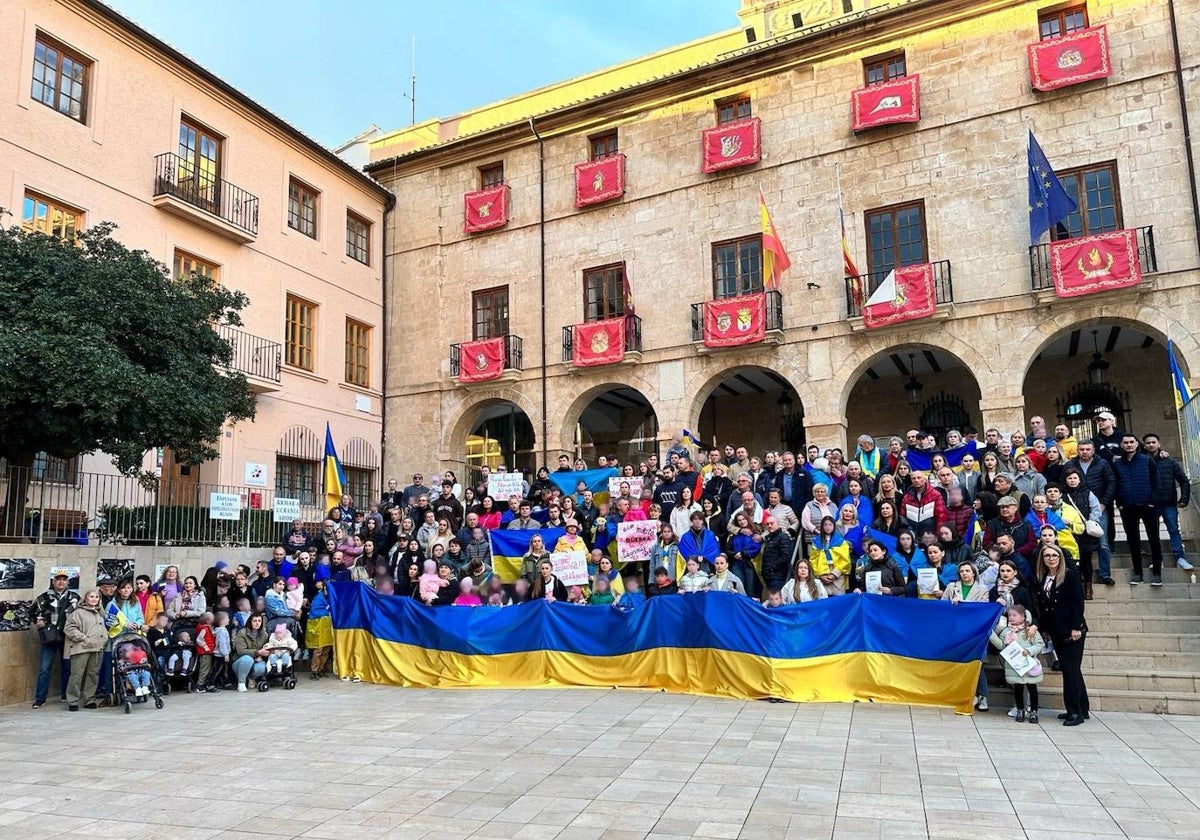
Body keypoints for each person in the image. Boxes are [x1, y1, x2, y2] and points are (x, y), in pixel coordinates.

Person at [1035, 544, 1089, 725]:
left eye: (1054, 555)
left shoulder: (1070, 576)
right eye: (1047, 555)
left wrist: (1076, 626)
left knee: (1070, 669)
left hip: (1071, 629)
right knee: (1071, 669)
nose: (1051, 558)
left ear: (1060, 557)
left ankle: (1074, 712)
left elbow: (1078, 603)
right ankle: (1083, 707)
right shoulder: (1043, 578)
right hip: (1055, 629)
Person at [1111, 433, 1163, 585]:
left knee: (1154, 539)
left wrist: (1153, 501)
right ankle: (1138, 573)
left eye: (1131, 442)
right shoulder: (1118, 463)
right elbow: (1115, 484)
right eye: (1125, 442)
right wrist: (1119, 502)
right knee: (1133, 541)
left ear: (1136, 444)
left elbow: (1156, 482)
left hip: (1148, 506)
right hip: (1127, 507)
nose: (1128, 445)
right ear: (1121, 445)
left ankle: (1157, 574)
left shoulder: (1147, 460)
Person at [1066, 441, 1116, 585]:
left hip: (1098, 508)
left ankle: (1105, 573)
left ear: (1093, 450)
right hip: (1075, 511)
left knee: (1103, 543)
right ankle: (1078, 576)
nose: (1085, 452)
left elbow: (1111, 482)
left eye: (1088, 449)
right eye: (1081, 449)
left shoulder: (1102, 463)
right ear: (1077, 450)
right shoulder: (1070, 465)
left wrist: (1104, 503)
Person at [1142, 433, 1193, 570]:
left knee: (1174, 530)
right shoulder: (1142, 461)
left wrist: (1184, 499)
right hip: (1150, 503)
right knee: (1153, 533)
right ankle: (1158, 560)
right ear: (1144, 445)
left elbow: (1183, 480)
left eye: (1153, 442)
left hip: (1168, 502)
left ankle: (1180, 558)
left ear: (1158, 443)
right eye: (1148, 443)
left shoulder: (1169, 461)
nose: (1151, 445)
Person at [32, 569, 79, 709]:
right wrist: (37, 620)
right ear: (53, 581)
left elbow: (81, 614)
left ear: (68, 582)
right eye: (58, 579)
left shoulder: (74, 597)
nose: (61, 582)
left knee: (68, 667)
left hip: (68, 637)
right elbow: (32, 612)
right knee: (44, 668)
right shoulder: (44, 597)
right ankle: (40, 699)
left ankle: (66, 695)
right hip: (50, 636)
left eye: (64, 579)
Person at [990, 602, 1045, 724]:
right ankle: (1020, 709)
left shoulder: (1030, 630)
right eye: (1010, 615)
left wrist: (1029, 651)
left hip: (1028, 666)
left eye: (1015, 615)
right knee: (1018, 689)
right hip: (1014, 667)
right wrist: (991, 635)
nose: (1011, 617)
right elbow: (1001, 645)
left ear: (1023, 617)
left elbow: (1040, 644)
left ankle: (1034, 711)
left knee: (1032, 688)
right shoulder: (1006, 632)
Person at [63, 589, 107, 711]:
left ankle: (89, 699)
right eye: (91, 596)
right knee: (77, 674)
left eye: (96, 597)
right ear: (86, 598)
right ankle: (73, 700)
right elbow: (69, 628)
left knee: (93, 674)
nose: (94, 599)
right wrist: (82, 638)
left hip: (97, 648)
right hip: (81, 648)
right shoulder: (78, 613)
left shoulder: (100, 612)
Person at [809, 515, 851, 596]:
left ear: (834, 526)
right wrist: (820, 576)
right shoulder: (816, 541)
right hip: (822, 572)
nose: (828, 527)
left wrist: (835, 574)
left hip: (837, 572)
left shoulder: (841, 541)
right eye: (825, 525)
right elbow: (813, 560)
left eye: (830, 525)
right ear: (822, 526)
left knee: (838, 599)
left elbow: (845, 560)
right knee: (823, 598)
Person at [232, 612, 271, 692]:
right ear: (250, 621)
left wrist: (262, 655)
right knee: (247, 659)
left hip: (256, 660)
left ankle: (251, 678)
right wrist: (258, 653)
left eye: (259, 621)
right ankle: (241, 683)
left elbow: (265, 648)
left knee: (262, 667)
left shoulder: (264, 634)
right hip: (240, 661)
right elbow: (241, 651)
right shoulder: (242, 633)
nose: (257, 623)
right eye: (255, 621)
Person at [758, 516, 795, 593]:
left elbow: (786, 556)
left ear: (778, 524)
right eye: (767, 524)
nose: (769, 526)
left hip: (778, 576)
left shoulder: (783, 537)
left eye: (772, 523)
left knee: (777, 601)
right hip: (770, 576)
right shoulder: (769, 538)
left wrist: (772, 568)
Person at [306, 582, 334, 679]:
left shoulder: (331, 597)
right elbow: (314, 611)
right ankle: (314, 671)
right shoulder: (318, 598)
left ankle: (321, 669)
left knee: (326, 648)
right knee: (318, 649)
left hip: (327, 626)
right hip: (318, 625)